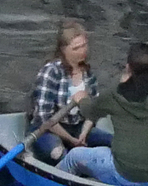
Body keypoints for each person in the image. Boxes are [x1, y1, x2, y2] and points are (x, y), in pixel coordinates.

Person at [58, 41, 148, 186]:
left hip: (127, 175)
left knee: (74, 156)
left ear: (128, 68)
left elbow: (89, 111)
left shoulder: (115, 94)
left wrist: (81, 98)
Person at [25, 19, 111, 165]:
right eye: (76, 48)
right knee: (57, 154)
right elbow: (44, 117)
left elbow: (93, 110)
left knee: (113, 143)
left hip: (78, 127)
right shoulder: (51, 72)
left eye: (84, 46)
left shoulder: (88, 74)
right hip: (47, 129)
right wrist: (71, 141)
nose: (82, 52)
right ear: (64, 50)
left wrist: (83, 134)